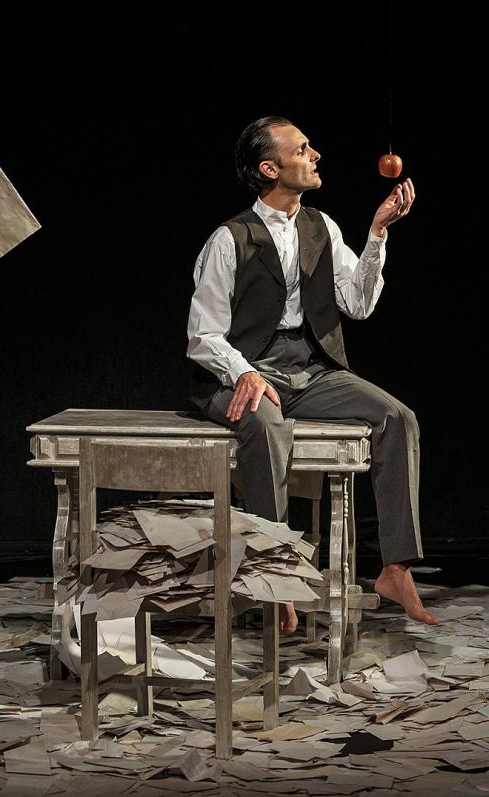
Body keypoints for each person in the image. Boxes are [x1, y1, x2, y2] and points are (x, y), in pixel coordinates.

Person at [186, 116, 439, 634]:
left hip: (308, 368)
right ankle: (275, 575)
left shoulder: (322, 226)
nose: (316, 154)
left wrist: (377, 233)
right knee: (267, 425)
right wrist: (244, 374)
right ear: (270, 168)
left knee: (398, 418)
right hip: (243, 371)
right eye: (302, 149)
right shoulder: (229, 240)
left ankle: (395, 568)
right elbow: (203, 336)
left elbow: (358, 303)